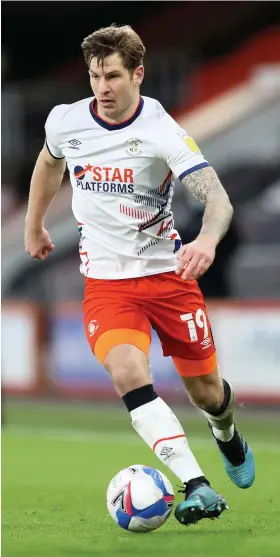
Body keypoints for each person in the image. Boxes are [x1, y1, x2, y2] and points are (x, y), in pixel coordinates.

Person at [24, 24, 255, 526]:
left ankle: (226, 433)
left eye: (111, 76)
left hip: (168, 279)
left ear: (138, 74)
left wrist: (207, 240)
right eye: (93, 76)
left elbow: (216, 197)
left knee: (208, 393)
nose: (101, 88)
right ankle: (196, 484)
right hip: (107, 285)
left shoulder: (161, 129)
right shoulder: (66, 122)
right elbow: (48, 163)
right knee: (128, 371)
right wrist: (35, 224)